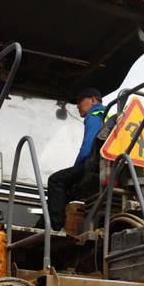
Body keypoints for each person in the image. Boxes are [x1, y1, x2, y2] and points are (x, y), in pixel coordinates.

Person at [45, 87, 108, 230]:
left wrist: (76, 168)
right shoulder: (108, 113)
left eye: (81, 101)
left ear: (93, 99)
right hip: (107, 163)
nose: (78, 105)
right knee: (68, 188)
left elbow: (87, 148)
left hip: (95, 163)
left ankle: (55, 227)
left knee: (56, 180)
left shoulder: (94, 114)